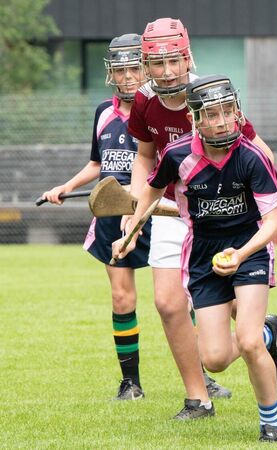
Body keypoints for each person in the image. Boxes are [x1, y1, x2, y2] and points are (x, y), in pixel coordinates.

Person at [127, 17, 277, 419]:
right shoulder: (143, 100)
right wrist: (137, 208)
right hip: (175, 209)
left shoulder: (211, 97)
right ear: (147, 65)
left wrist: (258, 202)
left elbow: (259, 153)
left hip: (228, 213)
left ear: (187, 55)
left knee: (245, 318)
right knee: (168, 303)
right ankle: (198, 399)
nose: (168, 71)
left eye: (175, 60)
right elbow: (144, 157)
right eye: (158, 63)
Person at [113, 75, 277, 442]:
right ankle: (268, 331)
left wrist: (241, 254)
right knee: (216, 359)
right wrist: (130, 233)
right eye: (212, 114)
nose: (223, 120)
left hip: (249, 248)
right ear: (195, 119)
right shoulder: (178, 155)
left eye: (228, 111)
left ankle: (271, 422)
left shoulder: (252, 157)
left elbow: (273, 222)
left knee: (248, 341)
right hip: (202, 256)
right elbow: (151, 190)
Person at [41, 33, 150, 401]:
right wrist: (65, 187)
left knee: (180, 300)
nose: (128, 77)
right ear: (112, 74)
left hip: (155, 208)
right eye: (121, 70)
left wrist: (138, 200)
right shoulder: (104, 112)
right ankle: (131, 382)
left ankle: (203, 376)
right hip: (110, 211)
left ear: (146, 69)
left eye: (134, 68)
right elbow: (97, 164)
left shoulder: (158, 112)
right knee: (122, 298)